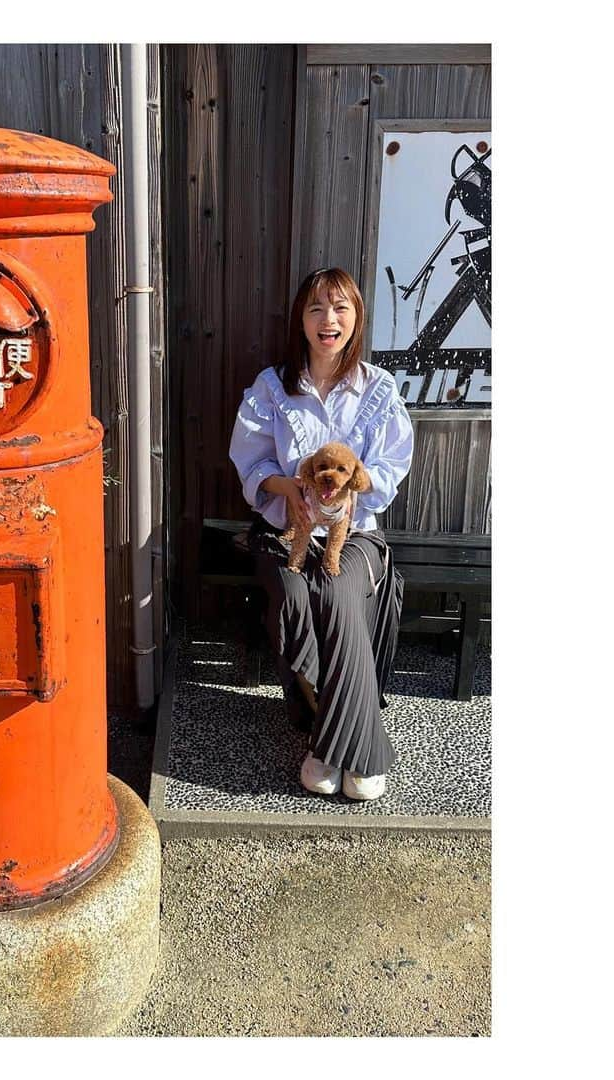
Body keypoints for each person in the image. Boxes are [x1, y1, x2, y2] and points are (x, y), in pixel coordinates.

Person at [228, 267, 413, 801]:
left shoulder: (378, 388)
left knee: (335, 588)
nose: (327, 320)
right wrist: (298, 487)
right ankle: (348, 737)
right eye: (315, 309)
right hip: (285, 531)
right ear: (301, 320)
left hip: (356, 533)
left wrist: (352, 487)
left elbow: (392, 466)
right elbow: (250, 463)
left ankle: (334, 750)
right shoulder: (272, 387)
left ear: (355, 318)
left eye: (339, 308)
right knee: (293, 592)